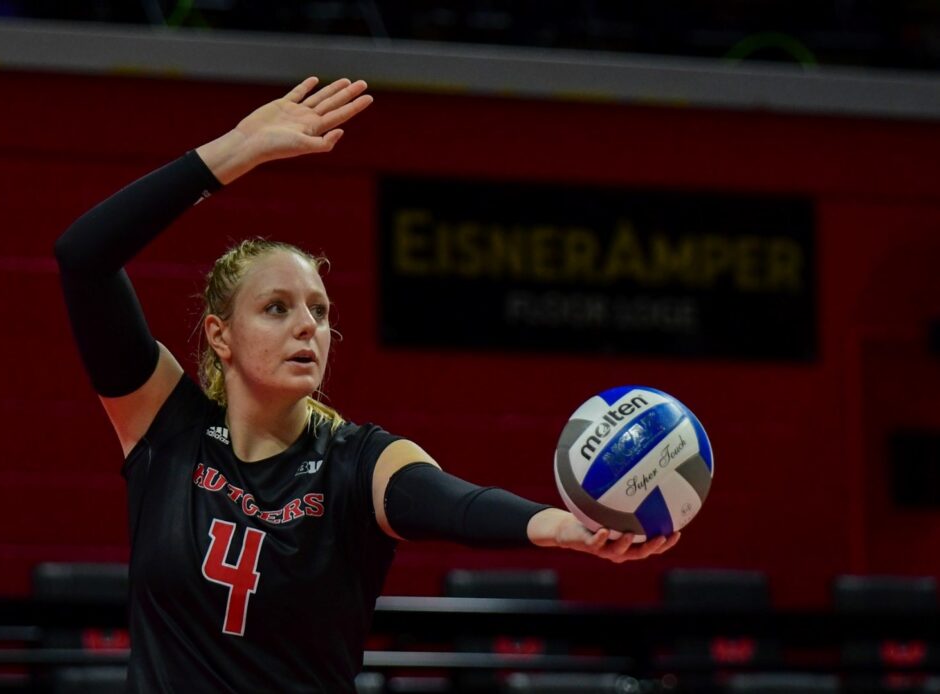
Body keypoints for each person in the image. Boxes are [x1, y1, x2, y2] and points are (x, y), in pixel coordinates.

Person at [54, 76, 679, 693]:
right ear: (221, 335)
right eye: (277, 308)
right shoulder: (167, 428)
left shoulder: (356, 461)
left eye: (319, 311)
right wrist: (234, 152)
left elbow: (456, 504)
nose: (308, 326)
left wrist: (566, 528)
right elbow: (84, 258)